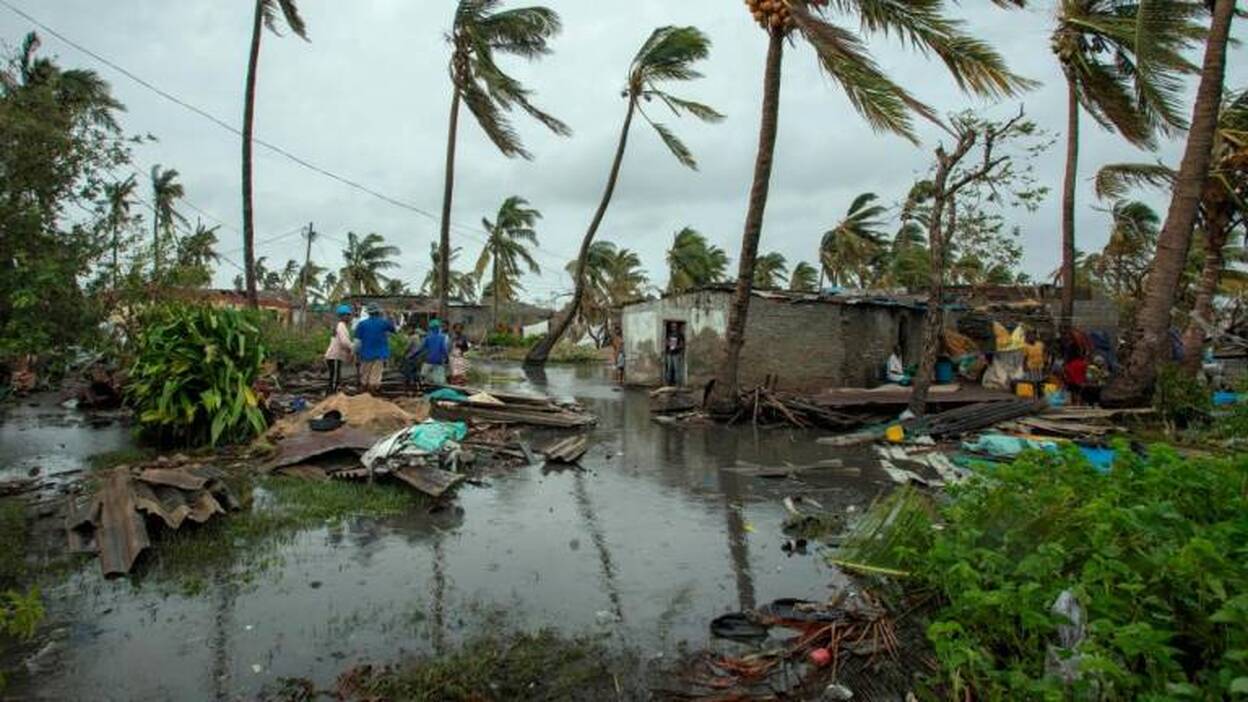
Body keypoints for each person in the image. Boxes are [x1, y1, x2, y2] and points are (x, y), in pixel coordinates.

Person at [354, 303, 397, 393]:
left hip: (365, 354)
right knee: (375, 375)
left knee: (365, 375)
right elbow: (394, 329)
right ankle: (372, 393)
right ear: (378, 312)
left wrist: (355, 353)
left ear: (369, 313)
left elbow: (357, 342)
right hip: (380, 354)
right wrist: (391, 317)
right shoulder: (383, 322)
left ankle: (364, 394)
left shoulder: (362, 324)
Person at [324, 304, 354, 394]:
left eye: (349, 315)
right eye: (347, 315)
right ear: (342, 316)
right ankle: (331, 396)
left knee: (335, 377)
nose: (349, 317)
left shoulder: (341, 326)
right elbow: (344, 341)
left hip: (335, 356)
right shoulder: (341, 326)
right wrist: (353, 347)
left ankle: (331, 395)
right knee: (334, 379)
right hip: (335, 356)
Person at [419, 319, 451, 386]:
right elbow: (444, 349)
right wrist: (447, 358)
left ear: (430, 328)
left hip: (428, 361)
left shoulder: (427, 337)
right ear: (438, 328)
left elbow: (421, 349)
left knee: (423, 377)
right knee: (440, 382)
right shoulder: (442, 337)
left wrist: (412, 355)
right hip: (438, 362)